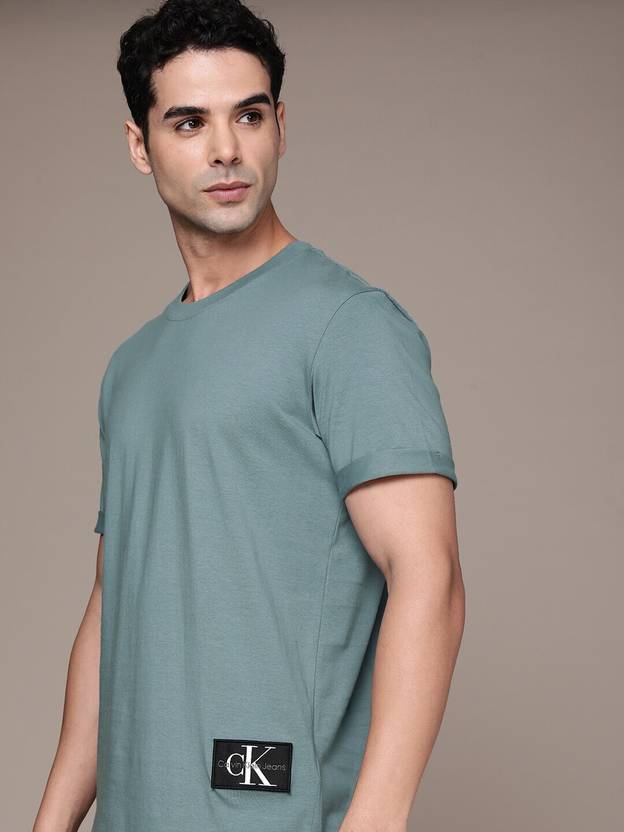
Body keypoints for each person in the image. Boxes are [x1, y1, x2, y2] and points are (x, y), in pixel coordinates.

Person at [33, 2, 465, 831]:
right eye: (189, 122)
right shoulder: (131, 368)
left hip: (269, 807)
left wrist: (375, 820)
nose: (226, 148)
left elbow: (430, 576)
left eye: (249, 115)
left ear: (280, 127)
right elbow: (111, 608)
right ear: (140, 145)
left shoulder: (349, 325)